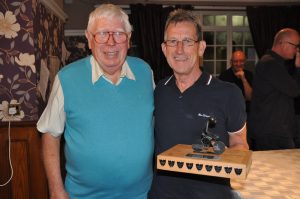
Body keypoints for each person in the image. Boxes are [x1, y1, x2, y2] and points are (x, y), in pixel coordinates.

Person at [37, 4, 154, 199]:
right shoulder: (66, 79)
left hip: (142, 194)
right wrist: (56, 189)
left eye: (118, 33)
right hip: (83, 196)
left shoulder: (145, 72)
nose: (111, 42)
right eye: (102, 34)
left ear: (128, 39)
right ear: (89, 39)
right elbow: (50, 134)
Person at [148, 9, 249, 199]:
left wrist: (227, 157)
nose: (179, 50)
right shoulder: (158, 91)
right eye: (172, 42)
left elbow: (239, 142)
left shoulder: (228, 93)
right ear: (164, 48)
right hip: (162, 194)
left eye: (187, 41)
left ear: (201, 47)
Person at [248, 28, 300, 151]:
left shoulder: (273, 63)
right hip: (273, 133)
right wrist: (298, 68)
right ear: (282, 43)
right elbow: (295, 90)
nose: (297, 50)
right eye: (295, 46)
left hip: (273, 131)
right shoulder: (270, 64)